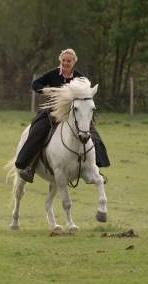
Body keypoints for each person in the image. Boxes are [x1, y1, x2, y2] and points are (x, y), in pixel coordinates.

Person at [16, 48, 110, 183]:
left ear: (74, 62)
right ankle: (29, 167)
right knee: (37, 131)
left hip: (74, 113)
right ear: (60, 61)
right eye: (64, 60)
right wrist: (44, 90)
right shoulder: (53, 74)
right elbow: (35, 83)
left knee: (92, 134)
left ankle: (94, 169)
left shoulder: (80, 77)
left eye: (69, 61)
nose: (66, 63)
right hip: (53, 112)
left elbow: (87, 94)